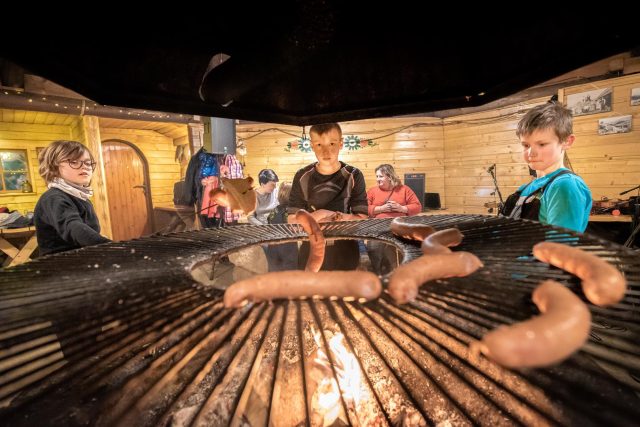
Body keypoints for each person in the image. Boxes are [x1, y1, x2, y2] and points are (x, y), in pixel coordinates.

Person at [500, 102, 592, 232]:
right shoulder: (526, 188)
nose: (531, 153)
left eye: (542, 144)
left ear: (567, 141)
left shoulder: (564, 185)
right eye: (526, 145)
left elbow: (559, 243)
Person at [288, 123, 368, 270]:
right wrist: (325, 215)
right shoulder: (302, 176)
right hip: (311, 250)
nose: (326, 151)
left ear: (341, 143)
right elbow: (292, 220)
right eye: (319, 144)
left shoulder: (353, 175)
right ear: (312, 146)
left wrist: (323, 215)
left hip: (345, 250)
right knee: (310, 285)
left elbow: (361, 219)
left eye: (332, 143)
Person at [34, 140, 111, 256]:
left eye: (88, 163)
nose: (85, 167)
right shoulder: (53, 198)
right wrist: (110, 246)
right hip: (60, 264)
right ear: (54, 167)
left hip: (83, 259)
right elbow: (73, 227)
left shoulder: (81, 197)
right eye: (74, 162)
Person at [366, 164, 422, 274]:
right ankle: (377, 272)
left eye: (381, 176)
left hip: (399, 225)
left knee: (403, 249)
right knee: (373, 248)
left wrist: (402, 208)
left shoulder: (404, 189)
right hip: (378, 226)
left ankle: (399, 272)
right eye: (377, 176)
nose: (378, 179)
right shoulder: (372, 191)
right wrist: (381, 209)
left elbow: (417, 207)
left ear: (390, 176)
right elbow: (363, 208)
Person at [266, 182, 298, 271]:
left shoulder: (274, 210)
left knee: (274, 272)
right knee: (290, 273)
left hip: (273, 246)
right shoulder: (292, 212)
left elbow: (269, 223)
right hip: (288, 247)